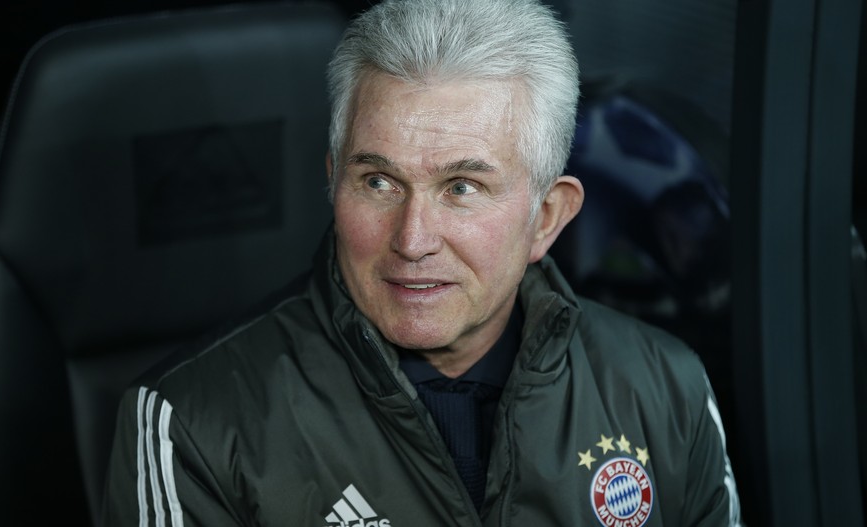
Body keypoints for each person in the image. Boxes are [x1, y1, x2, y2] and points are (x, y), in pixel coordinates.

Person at [103, 0, 742, 525]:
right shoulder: (193, 424)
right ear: (334, 184)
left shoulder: (665, 389)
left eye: (462, 187)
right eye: (379, 182)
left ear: (547, 216)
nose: (412, 240)